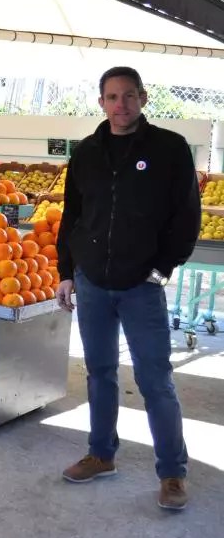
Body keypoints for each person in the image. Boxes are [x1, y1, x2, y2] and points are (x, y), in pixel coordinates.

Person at [55, 66, 201, 511]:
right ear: (101, 102)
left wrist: (162, 269)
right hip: (92, 282)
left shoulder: (169, 149)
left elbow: (186, 217)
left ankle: (172, 473)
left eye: (129, 96)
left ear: (143, 98)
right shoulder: (86, 153)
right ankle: (101, 455)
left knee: (155, 380)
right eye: (113, 97)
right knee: (99, 373)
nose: (121, 105)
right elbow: (71, 217)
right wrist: (66, 271)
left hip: (142, 285)